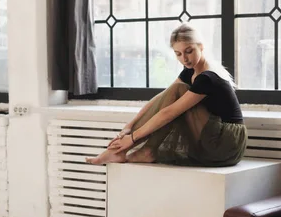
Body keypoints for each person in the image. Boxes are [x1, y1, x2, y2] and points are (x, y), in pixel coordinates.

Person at [85, 22, 247, 167]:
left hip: (226, 144)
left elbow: (168, 112)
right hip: (212, 136)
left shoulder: (207, 77)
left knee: (177, 91)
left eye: (189, 51)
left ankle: (143, 150)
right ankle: (137, 151)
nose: (184, 58)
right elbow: (163, 98)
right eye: (178, 54)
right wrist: (129, 126)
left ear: (201, 46)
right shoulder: (190, 71)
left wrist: (132, 139)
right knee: (173, 91)